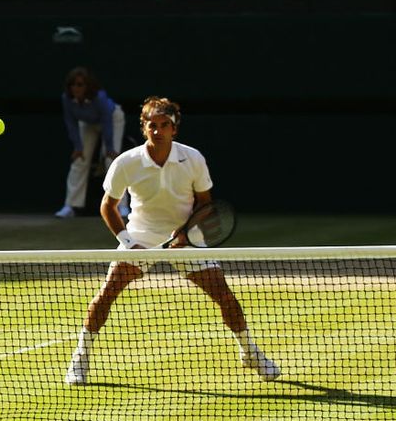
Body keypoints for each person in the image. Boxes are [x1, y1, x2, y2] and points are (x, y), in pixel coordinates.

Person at [63, 97, 280, 386]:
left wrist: (186, 233)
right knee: (106, 295)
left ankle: (249, 351)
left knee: (225, 297)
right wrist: (128, 241)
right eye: (152, 125)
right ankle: (80, 358)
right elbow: (108, 206)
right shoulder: (126, 162)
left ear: (174, 129)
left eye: (165, 125)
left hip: (187, 236)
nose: (158, 131)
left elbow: (206, 204)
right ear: (144, 128)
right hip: (141, 235)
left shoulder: (193, 159)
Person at [54, 67, 126, 219]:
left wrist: (110, 147)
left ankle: (123, 207)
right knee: (79, 160)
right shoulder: (66, 99)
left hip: (112, 119)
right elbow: (71, 123)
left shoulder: (99, 98)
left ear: (87, 86)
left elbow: (107, 121)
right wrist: (78, 147)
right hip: (88, 123)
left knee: (111, 162)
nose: (76, 88)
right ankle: (71, 206)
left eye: (80, 84)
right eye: (73, 84)